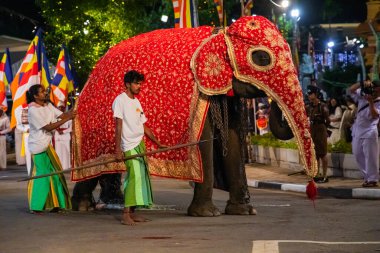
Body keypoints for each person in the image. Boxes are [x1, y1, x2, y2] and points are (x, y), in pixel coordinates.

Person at [113, 70, 166, 225]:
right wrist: (118, 149)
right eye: (136, 83)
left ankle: (133, 212)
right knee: (134, 177)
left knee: (140, 178)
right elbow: (118, 125)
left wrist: (157, 143)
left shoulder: (136, 102)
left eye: (140, 83)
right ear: (127, 84)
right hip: (128, 145)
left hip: (139, 144)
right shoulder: (120, 100)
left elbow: (144, 126)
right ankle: (125, 214)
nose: (139, 86)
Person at [26, 84, 76, 213]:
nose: (45, 93)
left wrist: (75, 109)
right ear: (35, 96)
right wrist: (68, 118)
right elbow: (48, 128)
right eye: (42, 92)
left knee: (56, 173)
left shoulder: (48, 105)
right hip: (38, 146)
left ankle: (56, 203)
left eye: (45, 91)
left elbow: (61, 115)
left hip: (48, 145)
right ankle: (36, 206)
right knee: (42, 174)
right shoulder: (32, 110)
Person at [349, 80, 380, 187]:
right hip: (357, 130)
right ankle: (367, 176)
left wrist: (371, 102)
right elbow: (351, 90)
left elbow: (375, 115)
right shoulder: (364, 94)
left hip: (370, 131)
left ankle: (373, 179)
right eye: (373, 87)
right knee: (357, 154)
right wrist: (362, 83)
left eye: (376, 87)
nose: (374, 89)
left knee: (371, 156)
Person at [305, 85, 330, 183]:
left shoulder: (322, 106)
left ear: (316, 94)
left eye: (311, 93)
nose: (309, 95)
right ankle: (316, 174)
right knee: (315, 154)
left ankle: (324, 175)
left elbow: (327, 120)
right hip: (313, 129)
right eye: (309, 94)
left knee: (323, 153)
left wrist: (323, 129)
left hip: (320, 129)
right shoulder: (309, 107)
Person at [54, 102, 72, 170]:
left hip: (66, 137)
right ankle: (59, 166)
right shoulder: (54, 117)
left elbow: (71, 128)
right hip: (58, 137)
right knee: (58, 152)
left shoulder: (68, 117)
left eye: (62, 107)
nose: (61, 108)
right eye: (59, 107)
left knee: (67, 152)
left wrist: (63, 131)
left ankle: (67, 167)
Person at [15, 103, 32, 175]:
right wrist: (26, 129)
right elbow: (18, 125)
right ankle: (30, 172)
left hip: (38, 134)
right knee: (28, 155)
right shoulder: (19, 110)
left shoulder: (36, 106)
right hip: (27, 135)